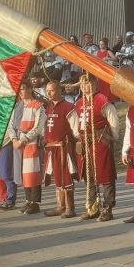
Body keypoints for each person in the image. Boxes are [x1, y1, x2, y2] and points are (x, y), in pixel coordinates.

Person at [75, 74, 119, 221]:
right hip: (85, 142)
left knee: (105, 175)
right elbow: (77, 123)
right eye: (81, 84)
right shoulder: (80, 102)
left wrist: (113, 138)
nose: (83, 87)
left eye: (86, 83)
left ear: (93, 84)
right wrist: (78, 139)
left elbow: (113, 120)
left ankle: (108, 208)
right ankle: (92, 207)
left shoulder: (102, 100)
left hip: (100, 140)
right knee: (90, 176)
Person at [42, 80, 78, 218]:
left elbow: (75, 128)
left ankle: (70, 207)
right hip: (51, 148)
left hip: (64, 148)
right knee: (57, 177)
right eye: (47, 91)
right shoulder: (49, 107)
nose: (49, 93)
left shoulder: (68, 107)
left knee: (66, 175)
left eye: (51, 90)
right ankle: (60, 206)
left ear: (58, 90)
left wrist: (77, 142)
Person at [10, 81, 45, 215]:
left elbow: (37, 127)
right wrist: (14, 139)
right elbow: (12, 125)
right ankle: (27, 200)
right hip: (18, 143)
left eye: (23, 89)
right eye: (19, 90)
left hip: (31, 143)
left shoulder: (38, 106)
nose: (21, 92)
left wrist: (23, 139)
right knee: (22, 172)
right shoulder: (18, 106)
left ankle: (35, 202)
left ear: (30, 89)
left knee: (32, 171)